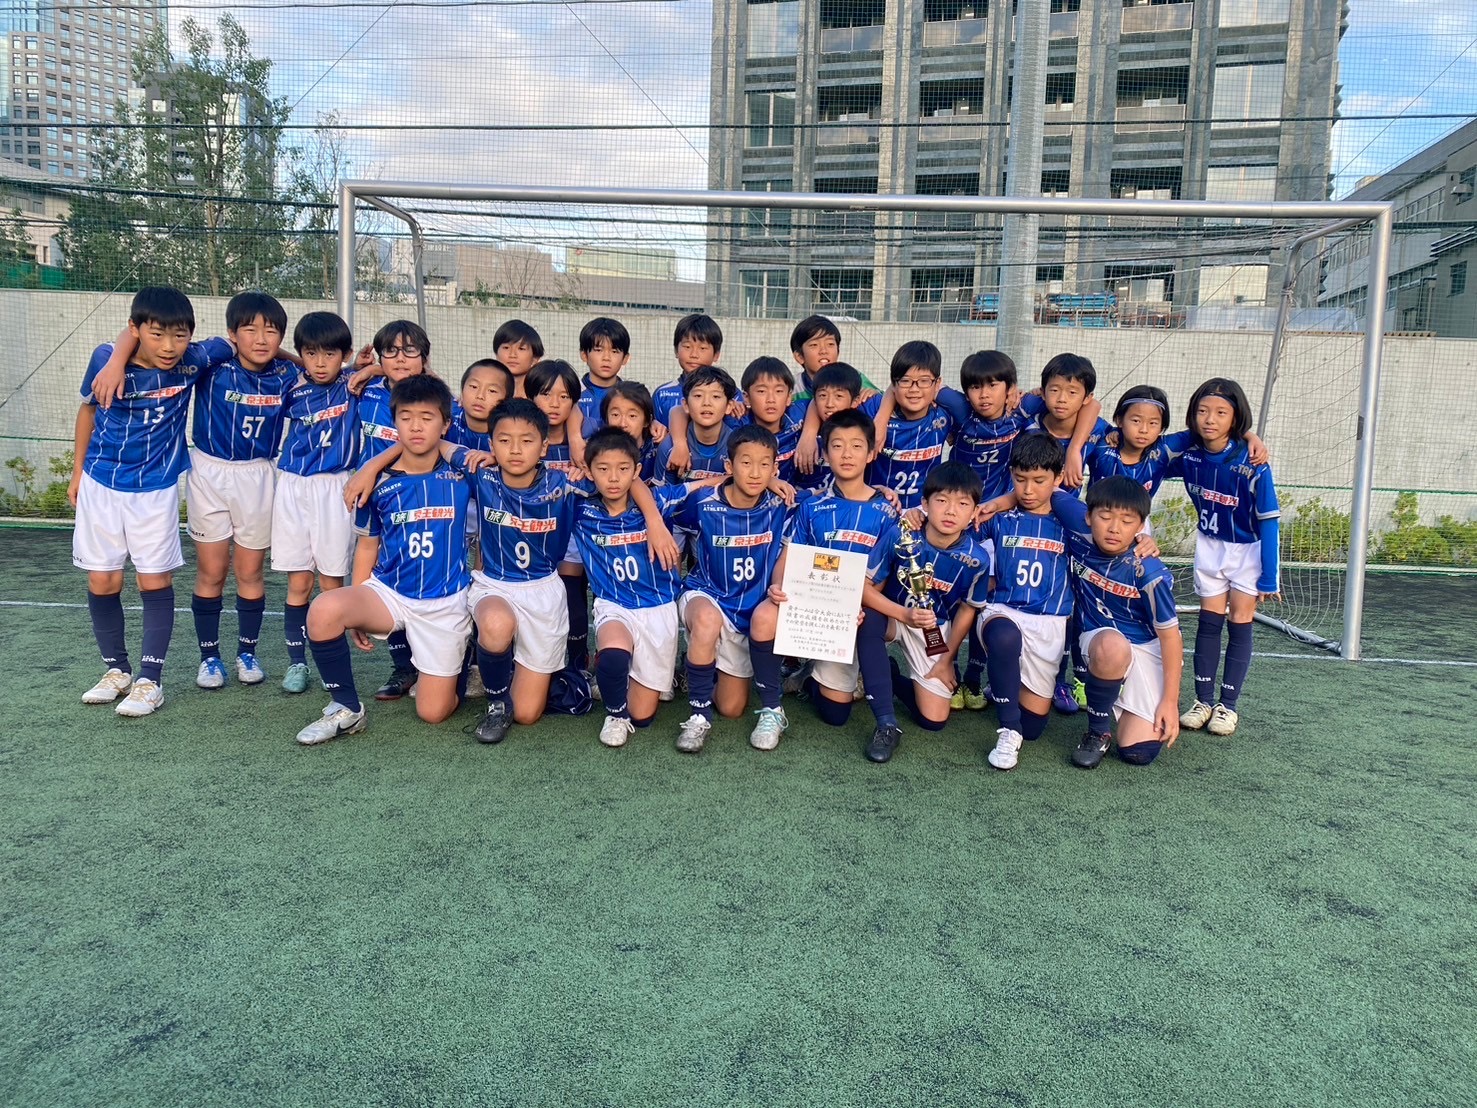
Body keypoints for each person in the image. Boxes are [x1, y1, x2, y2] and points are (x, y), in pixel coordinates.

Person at [92, 290, 299, 692]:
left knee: (250, 572)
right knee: (212, 571)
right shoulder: (211, 365)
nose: (260, 339)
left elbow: (323, 369)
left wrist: (311, 361)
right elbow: (139, 335)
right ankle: (209, 657)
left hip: (258, 475)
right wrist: (116, 360)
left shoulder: (287, 375)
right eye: (250, 330)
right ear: (231, 334)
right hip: (208, 472)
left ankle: (247, 652)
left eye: (271, 331)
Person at [69, 286, 230, 717]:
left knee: (153, 581)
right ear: (136, 329)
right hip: (101, 483)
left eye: (179, 335)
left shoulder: (196, 358)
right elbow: (87, 412)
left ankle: (149, 680)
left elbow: (242, 343)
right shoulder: (105, 360)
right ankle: (116, 671)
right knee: (103, 580)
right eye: (157, 335)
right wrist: (76, 473)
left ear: (191, 335)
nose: (169, 346)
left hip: (155, 489)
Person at [295, 375, 475, 745]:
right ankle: (346, 708)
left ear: (445, 424)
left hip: (445, 603)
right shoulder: (374, 481)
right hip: (390, 593)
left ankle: (458, 659)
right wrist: (358, 602)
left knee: (433, 713)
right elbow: (367, 546)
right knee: (324, 610)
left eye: (427, 418)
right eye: (406, 418)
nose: (416, 426)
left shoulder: (464, 475)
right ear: (395, 423)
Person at [748, 410, 901, 754]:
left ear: (870, 452)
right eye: (837, 445)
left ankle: (816, 676)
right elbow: (789, 556)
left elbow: (883, 574)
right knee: (764, 615)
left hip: (859, 611)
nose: (846, 454)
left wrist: (854, 604)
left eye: (856, 446)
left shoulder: (889, 510)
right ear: (825, 453)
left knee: (835, 714)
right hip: (815, 606)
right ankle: (771, 710)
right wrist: (777, 586)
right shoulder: (812, 505)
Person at [574, 427, 715, 747]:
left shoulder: (659, 502)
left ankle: (623, 688)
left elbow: (706, 484)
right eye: (603, 469)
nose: (613, 478)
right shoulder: (580, 507)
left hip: (658, 608)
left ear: (637, 470)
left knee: (643, 715)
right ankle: (614, 714)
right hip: (614, 604)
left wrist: (768, 480)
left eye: (623, 469)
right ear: (589, 471)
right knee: (613, 652)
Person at [669, 425, 803, 752]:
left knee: (732, 707)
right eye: (746, 463)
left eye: (764, 465)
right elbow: (661, 510)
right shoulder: (701, 502)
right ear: (729, 465)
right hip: (707, 594)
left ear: (775, 468)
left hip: (751, 609)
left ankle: (702, 668)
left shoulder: (784, 502)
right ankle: (698, 716)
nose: (755, 472)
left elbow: (836, 497)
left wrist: (885, 492)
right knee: (705, 621)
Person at [1166, 377, 1280, 738]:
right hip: (1210, 546)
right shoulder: (1191, 456)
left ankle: (1228, 706)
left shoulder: (1253, 463)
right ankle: (1202, 701)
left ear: (1235, 417)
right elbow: (1152, 453)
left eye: (1220, 413)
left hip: (1247, 551)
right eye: (1202, 411)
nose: (1210, 419)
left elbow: (1269, 521)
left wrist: (1270, 576)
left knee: (1240, 622)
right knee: (1209, 622)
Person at [1047, 477, 1183, 769]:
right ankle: (1097, 731)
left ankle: (1119, 692)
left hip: (1145, 647)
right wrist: (997, 504)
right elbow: (1045, 489)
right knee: (1112, 646)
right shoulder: (1078, 525)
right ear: (1088, 516)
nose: (1113, 528)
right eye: (1105, 516)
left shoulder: (1148, 571)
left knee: (1138, 753)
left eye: (1126, 521)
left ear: (1141, 526)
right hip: (1100, 640)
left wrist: (1170, 702)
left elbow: (1171, 638)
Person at [863, 461, 990, 760]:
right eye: (942, 500)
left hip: (933, 627)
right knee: (867, 620)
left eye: (962, 504)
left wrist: (946, 660)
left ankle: (888, 675)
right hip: (893, 615)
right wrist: (904, 614)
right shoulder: (902, 533)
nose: (950, 511)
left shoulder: (978, 559)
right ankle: (886, 723)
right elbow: (863, 588)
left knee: (933, 720)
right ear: (925, 504)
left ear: (974, 512)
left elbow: (967, 611)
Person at [974, 433, 1076, 771]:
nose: (1028, 489)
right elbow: (956, 529)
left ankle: (1005, 686)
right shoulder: (1000, 516)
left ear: (1057, 478)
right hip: (1004, 612)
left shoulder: (1068, 524)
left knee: (1034, 727)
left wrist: (1143, 540)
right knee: (1003, 637)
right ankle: (1009, 731)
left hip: (1049, 623)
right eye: (1020, 479)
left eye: (1039, 481)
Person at [273, 311, 359, 695]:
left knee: (331, 582)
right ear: (301, 354)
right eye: (310, 354)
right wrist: (295, 358)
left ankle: (330, 663)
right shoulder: (290, 386)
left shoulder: (354, 384)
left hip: (335, 487)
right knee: (299, 582)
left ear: (345, 355)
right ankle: (297, 663)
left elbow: (392, 372)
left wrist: (368, 367)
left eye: (329, 354)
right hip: (293, 487)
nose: (320, 363)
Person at [355, 320, 432, 703]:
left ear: (424, 357)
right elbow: (320, 367)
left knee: (423, 578)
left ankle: (433, 662)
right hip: (373, 501)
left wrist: (374, 465)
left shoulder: (436, 398)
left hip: (422, 502)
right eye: (391, 351)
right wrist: (363, 368)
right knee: (385, 576)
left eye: (410, 351)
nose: (400, 359)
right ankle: (403, 666)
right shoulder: (363, 390)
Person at [527, 358, 592, 673]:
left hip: (574, 529)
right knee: (537, 603)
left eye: (564, 397)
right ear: (531, 397)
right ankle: (536, 664)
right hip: (529, 531)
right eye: (546, 394)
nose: (554, 404)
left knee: (571, 595)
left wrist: (578, 440)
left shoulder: (588, 432)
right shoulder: (521, 431)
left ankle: (578, 665)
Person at [859, 340, 957, 510]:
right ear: (894, 384)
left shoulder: (946, 414)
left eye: (924, 381)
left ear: (937, 384)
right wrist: (810, 433)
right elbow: (827, 402)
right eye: (905, 381)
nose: (914, 389)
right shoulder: (872, 408)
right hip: (875, 508)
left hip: (923, 512)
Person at [655, 366, 739, 484]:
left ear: (729, 406)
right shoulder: (669, 447)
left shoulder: (737, 447)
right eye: (698, 396)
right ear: (686, 405)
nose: (706, 403)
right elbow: (662, 493)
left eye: (716, 396)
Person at [792, 362, 864, 493]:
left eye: (839, 396)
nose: (829, 404)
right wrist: (808, 434)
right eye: (823, 396)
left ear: (855, 401)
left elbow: (893, 392)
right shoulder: (798, 418)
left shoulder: (864, 422)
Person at [739, 356, 809, 484]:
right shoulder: (737, 425)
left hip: (795, 493)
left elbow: (819, 403)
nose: (771, 399)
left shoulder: (798, 413)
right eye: (762, 391)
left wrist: (808, 435)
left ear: (789, 397)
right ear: (747, 398)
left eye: (779, 391)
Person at [652, 312, 723, 431]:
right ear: (676, 350)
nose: (694, 355)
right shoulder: (662, 394)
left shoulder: (730, 394)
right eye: (687, 347)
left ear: (716, 355)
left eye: (702, 348)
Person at [576, 316, 631, 437]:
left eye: (614, 351)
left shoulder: (633, 395)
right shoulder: (572, 393)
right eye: (598, 350)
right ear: (584, 355)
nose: (606, 358)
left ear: (625, 358)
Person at [601, 381, 661, 482]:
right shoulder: (596, 450)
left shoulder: (658, 450)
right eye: (615, 415)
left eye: (632, 416)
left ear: (647, 421)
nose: (622, 424)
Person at [447, 358, 512, 452]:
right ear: (461, 392)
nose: (480, 396)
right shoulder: (444, 416)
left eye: (492, 391)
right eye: (474, 386)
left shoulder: (511, 434)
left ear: (507, 400)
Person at [493, 319, 543, 397]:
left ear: (535, 359)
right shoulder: (485, 394)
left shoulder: (541, 396)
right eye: (506, 347)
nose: (512, 355)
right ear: (496, 353)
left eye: (521, 349)